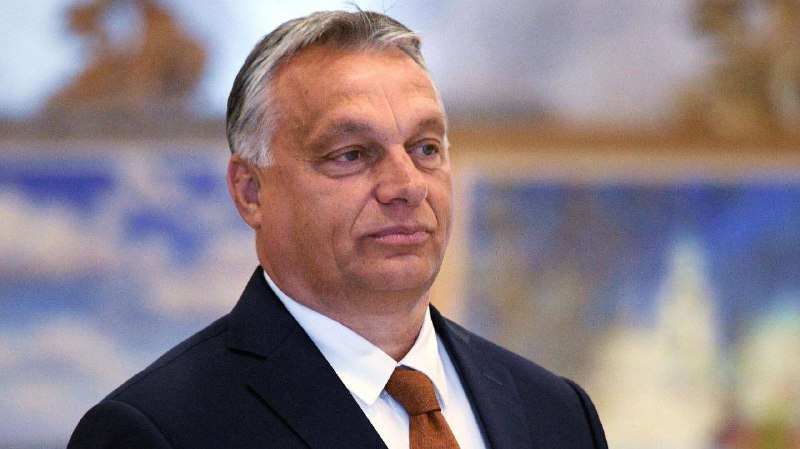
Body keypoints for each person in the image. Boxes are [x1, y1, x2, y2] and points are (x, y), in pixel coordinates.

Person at [68, 9, 608, 449]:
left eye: (426, 148)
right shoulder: (156, 431)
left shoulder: (557, 413)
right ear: (251, 191)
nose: (407, 185)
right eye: (351, 154)